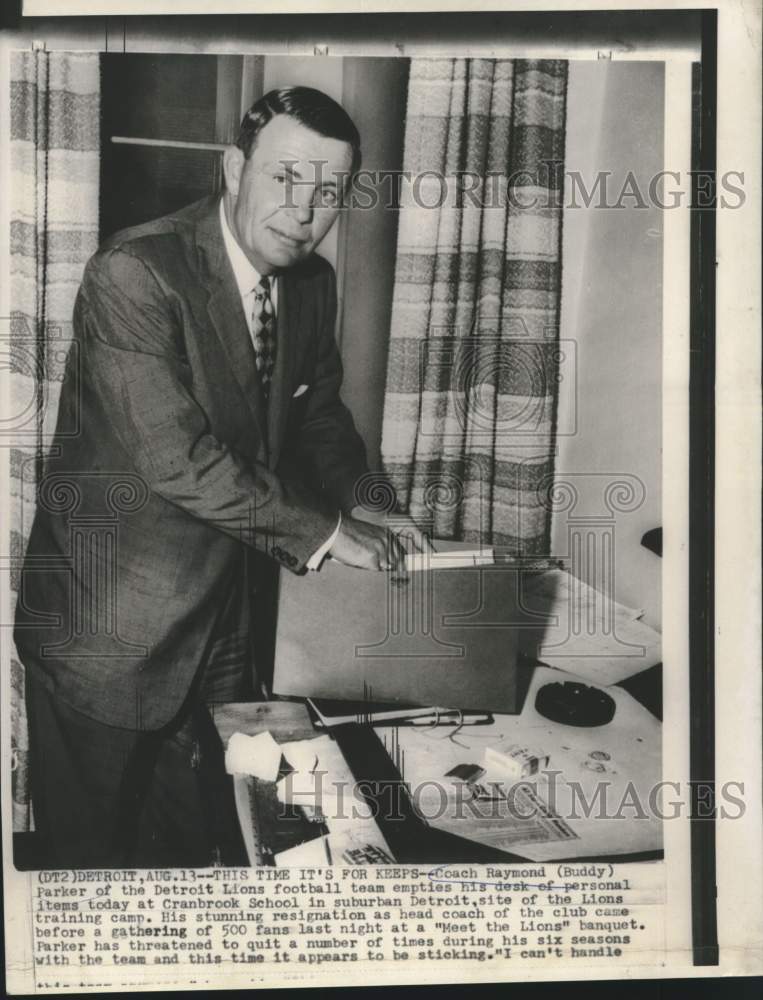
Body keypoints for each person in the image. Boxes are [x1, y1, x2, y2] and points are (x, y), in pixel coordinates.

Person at [15, 86, 429, 869]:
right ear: (236, 168)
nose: (306, 211)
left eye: (329, 191)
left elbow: (319, 420)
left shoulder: (311, 285)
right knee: (87, 861)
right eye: (287, 178)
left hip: (227, 620)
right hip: (109, 627)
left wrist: (374, 505)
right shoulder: (135, 273)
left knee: (207, 837)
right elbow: (180, 458)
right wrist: (335, 534)